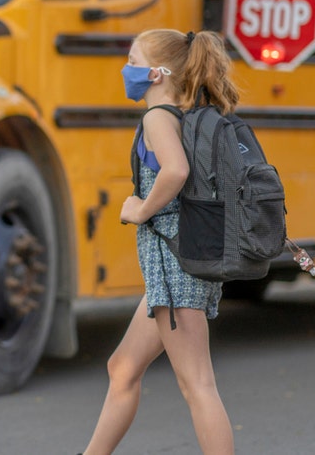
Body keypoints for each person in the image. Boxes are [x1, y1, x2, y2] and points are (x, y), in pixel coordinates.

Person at [81, 29, 236, 455]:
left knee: (198, 384)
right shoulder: (182, 116)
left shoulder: (157, 118)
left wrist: (140, 208)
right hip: (172, 268)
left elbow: (176, 171)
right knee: (123, 367)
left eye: (132, 60)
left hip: (174, 268)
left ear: (155, 73)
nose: (125, 69)